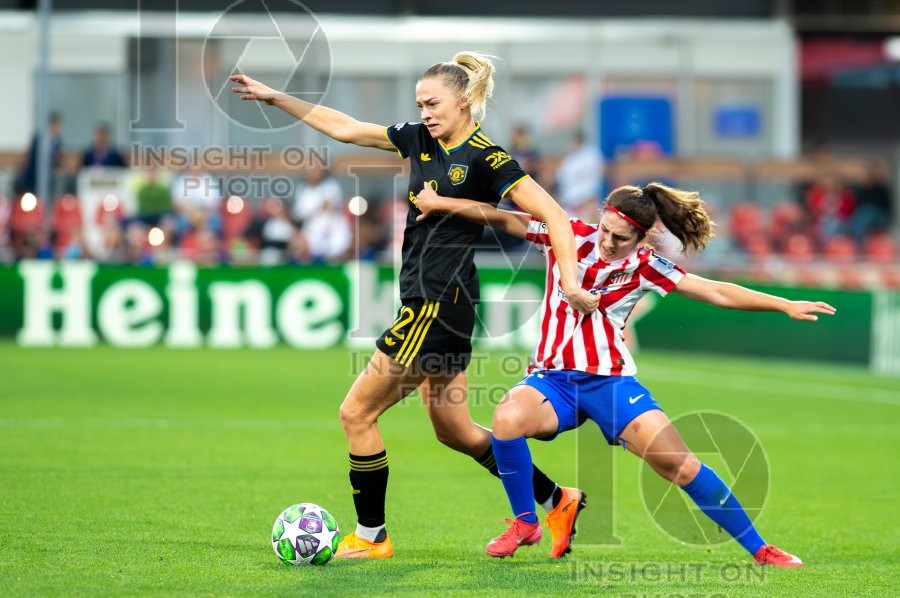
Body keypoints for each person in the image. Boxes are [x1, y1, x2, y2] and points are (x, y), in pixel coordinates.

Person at [231, 51, 599, 559]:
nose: (425, 112)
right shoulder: (421, 139)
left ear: (464, 100)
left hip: (437, 303)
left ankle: (371, 537)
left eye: (433, 103)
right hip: (442, 303)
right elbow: (346, 128)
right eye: (419, 104)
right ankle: (558, 499)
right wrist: (278, 98)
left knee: (356, 413)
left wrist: (573, 282)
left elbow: (555, 215)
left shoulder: (489, 159)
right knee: (456, 431)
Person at [414, 181, 836, 565]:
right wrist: (439, 203)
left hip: (610, 383)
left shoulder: (646, 265)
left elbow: (715, 291)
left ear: (641, 237)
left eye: (621, 238)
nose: (609, 243)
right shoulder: (568, 235)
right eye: (605, 231)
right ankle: (527, 522)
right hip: (552, 379)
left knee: (682, 467)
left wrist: (783, 304)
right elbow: (503, 217)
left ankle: (760, 548)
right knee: (506, 419)